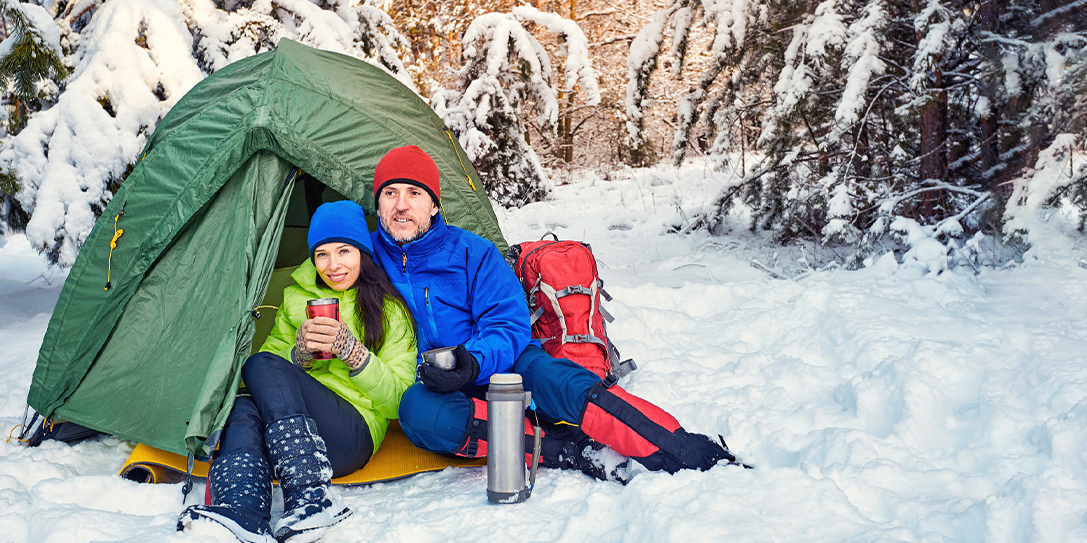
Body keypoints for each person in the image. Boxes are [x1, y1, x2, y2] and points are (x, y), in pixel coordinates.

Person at [371, 145, 737, 478]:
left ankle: (683, 449)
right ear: (378, 205)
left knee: (563, 382)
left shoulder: (472, 252)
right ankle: (564, 449)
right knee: (417, 413)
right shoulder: (362, 258)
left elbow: (508, 323)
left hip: (502, 364)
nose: (402, 205)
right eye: (391, 193)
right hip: (437, 388)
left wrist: (474, 360)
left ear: (434, 205)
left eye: (414, 193)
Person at [178, 200, 418, 543]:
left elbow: (399, 403)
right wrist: (300, 355)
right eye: (322, 254)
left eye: (344, 251)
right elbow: (268, 372)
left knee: (260, 366)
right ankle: (241, 509)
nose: (332, 265)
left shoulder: (389, 310)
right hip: (294, 433)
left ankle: (312, 497)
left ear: (362, 254)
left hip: (351, 434)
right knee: (245, 400)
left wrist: (357, 356)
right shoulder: (295, 300)